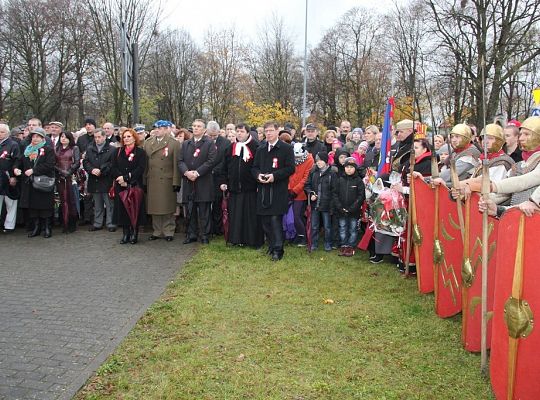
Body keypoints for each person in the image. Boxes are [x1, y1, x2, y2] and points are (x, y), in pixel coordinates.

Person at [252, 121, 295, 260]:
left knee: (275, 220)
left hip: (278, 190)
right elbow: (254, 167)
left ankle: (278, 250)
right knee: (265, 222)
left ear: (277, 131)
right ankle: (271, 245)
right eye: (266, 131)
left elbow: (290, 168)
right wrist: (258, 176)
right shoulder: (261, 148)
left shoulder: (286, 148)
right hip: (263, 191)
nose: (268, 133)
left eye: (271, 130)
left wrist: (274, 176)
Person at [220, 123, 263, 248]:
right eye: (237, 131)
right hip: (234, 188)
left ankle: (251, 240)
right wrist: (223, 182)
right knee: (236, 215)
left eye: (242, 131)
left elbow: (259, 166)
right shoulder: (230, 148)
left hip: (250, 188)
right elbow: (224, 167)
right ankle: (236, 239)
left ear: (248, 133)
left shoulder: (256, 147)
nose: (239, 134)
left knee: (250, 217)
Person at [178, 119, 217, 244]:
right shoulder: (186, 144)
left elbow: (211, 161)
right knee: (190, 209)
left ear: (204, 129)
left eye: (199, 126)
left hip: (203, 181)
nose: (195, 128)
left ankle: (205, 235)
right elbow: (180, 161)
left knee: (204, 211)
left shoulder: (209, 143)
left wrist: (197, 172)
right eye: (194, 126)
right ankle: (191, 234)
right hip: (189, 181)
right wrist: (186, 172)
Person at [14, 127, 56, 238]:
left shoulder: (48, 149)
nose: (35, 138)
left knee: (45, 206)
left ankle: (47, 228)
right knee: (33, 207)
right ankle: (36, 228)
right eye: (33, 136)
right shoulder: (27, 149)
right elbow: (19, 161)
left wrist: (34, 170)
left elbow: (49, 165)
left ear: (43, 138)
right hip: (30, 183)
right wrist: (16, 168)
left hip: (43, 182)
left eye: (38, 136)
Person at [143, 120, 181, 242]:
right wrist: (144, 179)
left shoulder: (173, 143)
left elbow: (176, 164)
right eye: (156, 128)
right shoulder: (148, 143)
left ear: (166, 129)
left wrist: (176, 182)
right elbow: (145, 164)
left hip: (166, 180)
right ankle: (157, 230)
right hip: (153, 179)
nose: (157, 130)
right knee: (154, 207)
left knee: (167, 207)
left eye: (160, 128)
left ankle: (168, 230)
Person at [111, 128, 147, 244]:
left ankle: (134, 233)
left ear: (134, 138)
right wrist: (120, 178)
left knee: (134, 209)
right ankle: (125, 233)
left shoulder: (140, 152)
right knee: (122, 210)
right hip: (120, 186)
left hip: (134, 185)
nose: (126, 139)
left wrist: (127, 178)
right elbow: (113, 167)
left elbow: (140, 168)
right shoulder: (117, 152)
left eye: (129, 136)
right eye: (124, 137)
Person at [83, 129, 116, 232]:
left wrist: (102, 170)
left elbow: (112, 163)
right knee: (97, 204)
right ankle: (98, 223)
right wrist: (92, 170)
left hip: (106, 180)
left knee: (109, 203)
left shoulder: (112, 149)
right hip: (94, 179)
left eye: (99, 137)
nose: (97, 139)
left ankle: (111, 223)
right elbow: (86, 162)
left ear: (104, 137)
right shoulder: (90, 149)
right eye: (95, 137)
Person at [333, 157, 365, 256]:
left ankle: (351, 246)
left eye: (351, 167)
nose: (349, 169)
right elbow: (335, 194)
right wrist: (340, 207)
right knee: (342, 227)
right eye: (347, 167)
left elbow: (361, 196)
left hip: (353, 211)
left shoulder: (358, 181)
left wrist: (352, 208)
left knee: (353, 228)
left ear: (355, 168)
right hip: (341, 210)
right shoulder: (340, 179)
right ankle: (344, 245)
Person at [305, 152, 336, 252]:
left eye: (320, 160)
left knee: (327, 226)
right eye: (317, 160)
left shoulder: (332, 173)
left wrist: (331, 205)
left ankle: (328, 243)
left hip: (326, 204)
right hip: (315, 205)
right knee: (314, 226)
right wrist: (310, 194)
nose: (318, 162)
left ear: (326, 161)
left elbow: (334, 190)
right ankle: (314, 243)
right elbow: (307, 185)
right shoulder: (313, 171)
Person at [288, 142, 314, 247]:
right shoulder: (290, 158)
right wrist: (289, 188)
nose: (297, 159)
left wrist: (295, 190)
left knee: (296, 215)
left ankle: (302, 235)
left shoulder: (309, 160)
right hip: (289, 190)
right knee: (289, 216)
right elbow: (288, 173)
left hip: (300, 193)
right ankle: (294, 235)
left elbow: (305, 178)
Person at [55, 131, 80, 233]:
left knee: (71, 200)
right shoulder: (56, 149)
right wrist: (61, 172)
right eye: (62, 137)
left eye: (65, 137)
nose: (63, 139)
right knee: (62, 200)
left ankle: (72, 223)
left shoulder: (74, 148)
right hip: (60, 177)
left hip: (71, 178)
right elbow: (54, 162)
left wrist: (69, 172)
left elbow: (77, 162)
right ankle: (64, 222)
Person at [0, 123, 21, 233]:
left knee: (10, 203)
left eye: (2, 132)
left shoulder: (13, 145)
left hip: (8, 177)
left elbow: (16, 161)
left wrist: (13, 176)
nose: (0, 134)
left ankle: (9, 226)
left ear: (7, 133)